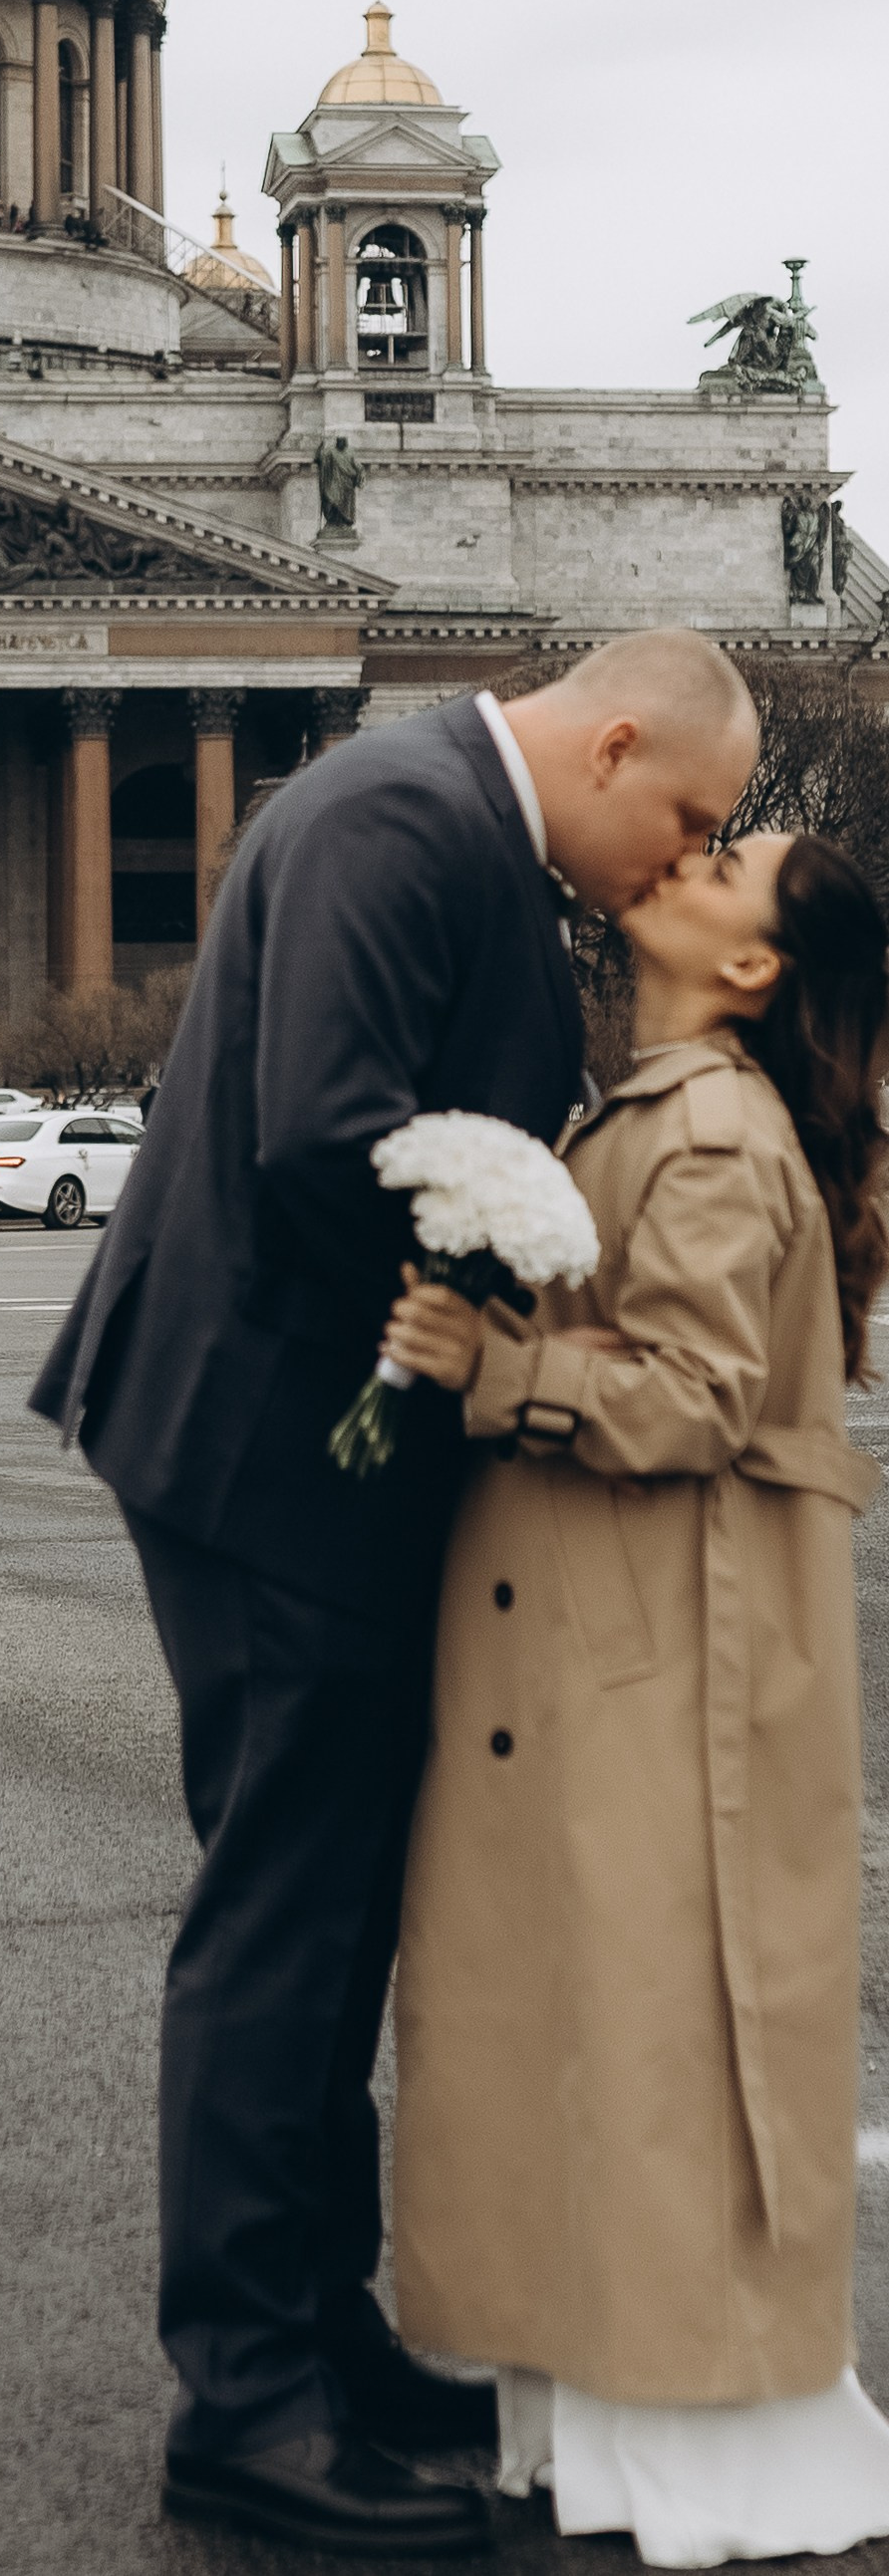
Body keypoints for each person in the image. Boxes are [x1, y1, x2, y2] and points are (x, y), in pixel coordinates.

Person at [30, 633, 759, 2555]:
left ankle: (311, 2330)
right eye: (682, 816)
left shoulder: (427, 815)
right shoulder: (401, 819)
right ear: (611, 741)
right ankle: (244, 2403)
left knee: (328, 1904)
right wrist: (520, 1291)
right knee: (282, 1915)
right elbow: (321, 1134)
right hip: (274, 1453)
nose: (676, 861)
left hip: (288, 1444)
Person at [383, 828, 889, 2565]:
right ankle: (604, 2421)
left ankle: (677, 2435)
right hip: (618, 1636)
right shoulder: (661, 1106)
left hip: (661, 1656)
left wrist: (489, 1365)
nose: (688, 851)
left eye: (729, 858)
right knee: (601, 2035)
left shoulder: (718, 1134)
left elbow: (685, 1400)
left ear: (756, 966)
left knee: (659, 2038)